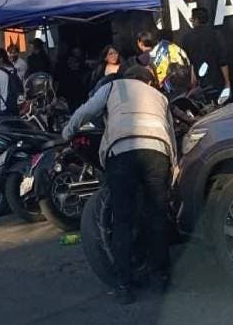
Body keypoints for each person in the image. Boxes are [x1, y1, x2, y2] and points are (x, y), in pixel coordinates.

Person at [63, 65, 175, 305]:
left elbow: (87, 111)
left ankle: (124, 286)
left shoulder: (113, 86)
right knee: (157, 216)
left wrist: (67, 131)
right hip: (157, 153)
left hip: (123, 152)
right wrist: (171, 168)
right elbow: (171, 134)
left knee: (123, 220)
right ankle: (161, 278)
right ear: (148, 81)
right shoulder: (160, 96)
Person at [178, 7, 231, 103]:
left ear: (196, 20)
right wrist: (227, 82)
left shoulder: (187, 38)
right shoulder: (216, 34)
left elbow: (191, 63)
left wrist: (193, 83)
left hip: (201, 85)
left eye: (192, 20)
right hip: (217, 81)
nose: (191, 22)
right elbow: (223, 60)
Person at [138, 30, 191, 96]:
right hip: (186, 81)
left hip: (169, 92)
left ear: (140, 44)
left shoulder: (142, 60)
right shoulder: (168, 45)